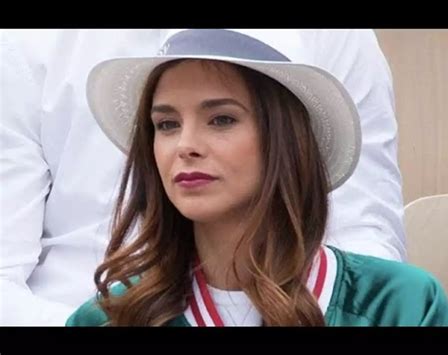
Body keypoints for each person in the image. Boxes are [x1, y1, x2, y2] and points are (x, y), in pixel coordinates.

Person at [0, 29, 405, 326]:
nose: (186, 146)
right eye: (165, 125)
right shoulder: (27, 43)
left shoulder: (338, 37)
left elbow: (364, 231)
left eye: (222, 119)